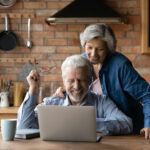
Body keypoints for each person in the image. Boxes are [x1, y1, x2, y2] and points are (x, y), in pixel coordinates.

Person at [54, 24, 150, 139]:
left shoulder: (120, 66)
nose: (93, 54)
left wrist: (148, 123)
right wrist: (64, 90)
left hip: (129, 131)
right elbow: (76, 85)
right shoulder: (82, 62)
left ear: (108, 49)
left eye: (100, 49)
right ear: (84, 45)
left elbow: (146, 94)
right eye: (89, 47)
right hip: (99, 131)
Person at [17, 55, 133, 136]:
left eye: (81, 80)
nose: (76, 86)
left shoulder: (102, 102)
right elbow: (24, 128)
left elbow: (127, 124)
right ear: (63, 81)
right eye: (71, 81)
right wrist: (33, 89)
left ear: (90, 80)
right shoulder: (51, 103)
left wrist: (86, 123)